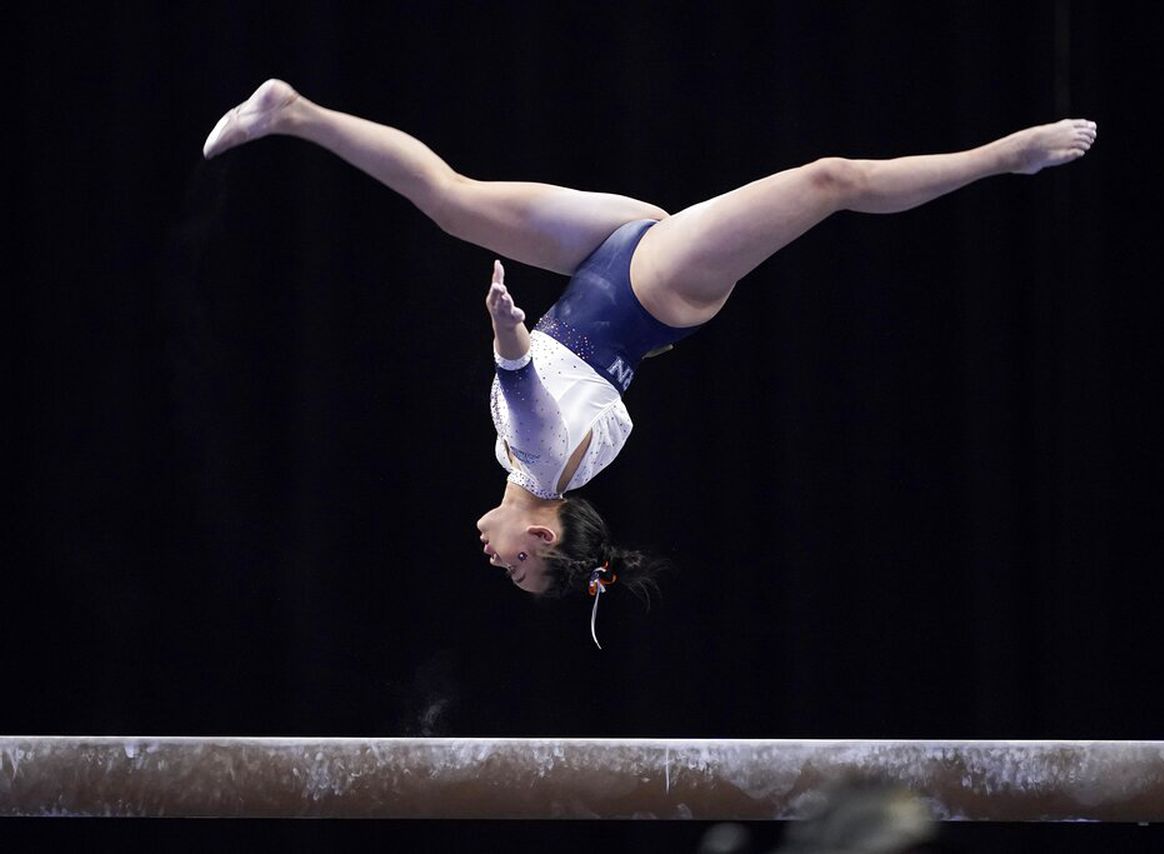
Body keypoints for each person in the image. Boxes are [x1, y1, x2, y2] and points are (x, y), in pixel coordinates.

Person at [203, 79, 1097, 607]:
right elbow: (524, 389)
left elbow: (551, 399)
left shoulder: (524, 462)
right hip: (656, 286)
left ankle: (291, 112)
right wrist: (509, 336)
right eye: (516, 570)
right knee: (830, 181)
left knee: (447, 196)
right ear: (544, 538)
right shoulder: (546, 465)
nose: (494, 560)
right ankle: (1004, 155)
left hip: (605, 255)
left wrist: (528, 341)